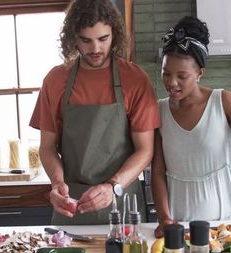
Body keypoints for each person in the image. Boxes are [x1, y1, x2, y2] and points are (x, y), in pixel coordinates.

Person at [30, 0, 160, 225]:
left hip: (122, 201)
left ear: (114, 35)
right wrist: (57, 183)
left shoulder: (135, 79)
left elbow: (145, 150)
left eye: (103, 39)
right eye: (86, 40)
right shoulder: (55, 80)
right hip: (72, 204)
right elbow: (48, 147)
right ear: (73, 38)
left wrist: (112, 185)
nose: (96, 49)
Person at [151, 16, 231, 237]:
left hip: (227, 223)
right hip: (180, 224)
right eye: (166, 73)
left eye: (181, 76)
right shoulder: (160, 110)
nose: (171, 82)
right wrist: (165, 217)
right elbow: (157, 172)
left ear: (199, 74)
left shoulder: (223, 101)